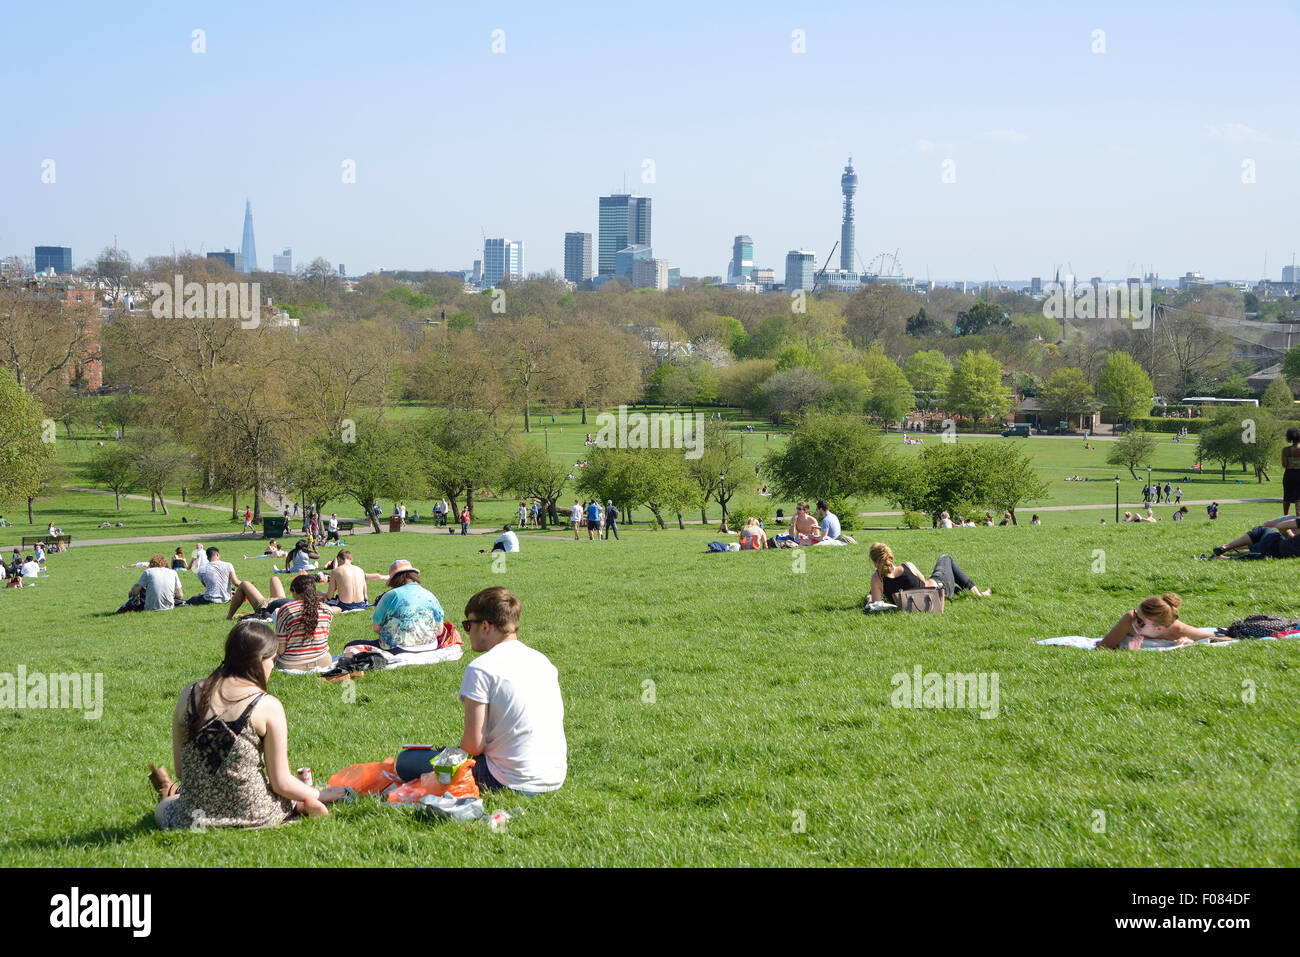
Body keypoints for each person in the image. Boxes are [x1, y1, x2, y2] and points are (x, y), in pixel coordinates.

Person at [150, 621, 347, 829]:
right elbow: (281, 782)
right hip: (253, 813)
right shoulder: (267, 705)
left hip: (194, 817)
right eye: (272, 660)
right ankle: (302, 804)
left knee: (164, 805)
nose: (272, 667)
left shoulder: (187, 695)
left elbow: (181, 772)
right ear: (260, 660)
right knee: (283, 793)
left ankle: (300, 803)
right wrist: (320, 793)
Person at [439, 587, 566, 795]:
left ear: (486, 626)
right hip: (553, 776)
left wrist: (448, 757)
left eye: (469, 625)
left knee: (410, 763)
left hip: (508, 779)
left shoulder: (481, 668)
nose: (467, 631)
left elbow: (473, 746)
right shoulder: (542, 661)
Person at [364, 560, 455, 654]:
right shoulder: (429, 594)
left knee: (353, 645)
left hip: (397, 647)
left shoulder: (391, 595)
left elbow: (376, 628)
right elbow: (440, 630)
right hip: (430, 645)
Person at [867, 542, 991, 605]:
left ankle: (958, 590)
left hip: (916, 603)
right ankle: (978, 594)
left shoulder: (876, 579)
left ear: (874, 562)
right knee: (945, 558)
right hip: (939, 591)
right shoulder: (907, 566)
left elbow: (877, 605)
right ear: (890, 556)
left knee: (950, 582)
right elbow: (923, 583)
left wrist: (870, 598)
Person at [1096, 593, 1216, 650]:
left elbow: (1220, 639)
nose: (1135, 621)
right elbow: (1103, 647)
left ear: (1159, 629)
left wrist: (1191, 642)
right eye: (1136, 614)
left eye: (1140, 622)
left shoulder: (1178, 631)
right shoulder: (1130, 620)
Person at [273, 574, 335, 670]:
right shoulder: (327, 609)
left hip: (291, 664)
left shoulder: (287, 610)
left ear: (294, 590)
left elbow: (281, 648)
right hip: (323, 661)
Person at [1201, 514, 1300, 560]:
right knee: (1253, 556)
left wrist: (1290, 537)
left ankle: (1226, 547)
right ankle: (1222, 558)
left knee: (1262, 530)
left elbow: (1280, 526)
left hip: (1274, 543)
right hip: (1276, 553)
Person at [1281, 428, 1300, 515]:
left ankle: (1285, 516)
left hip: (1289, 475)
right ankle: (1298, 518)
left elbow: (1284, 465)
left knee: (1287, 497)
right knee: (1298, 498)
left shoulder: (1285, 450)